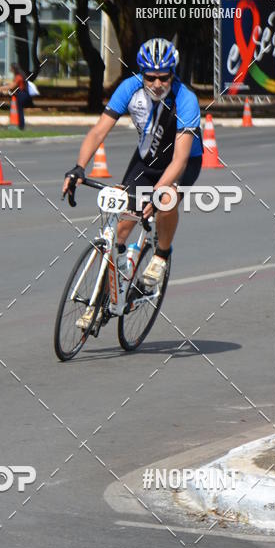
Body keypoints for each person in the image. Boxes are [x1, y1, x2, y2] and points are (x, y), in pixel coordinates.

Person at [62, 37, 203, 330]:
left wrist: (157, 193)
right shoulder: (129, 88)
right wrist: (79, 167)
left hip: (182, 161)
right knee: (120, 229)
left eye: (163, 77)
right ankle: (103, 300)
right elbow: (98, 131)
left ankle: (161, 255)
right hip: (146, 161)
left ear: (173, 74)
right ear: (142, 73)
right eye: (150, 77)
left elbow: (179, 161)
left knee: (167, 199)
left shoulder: (186, 99)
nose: (157, 84)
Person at [0, 64, 29, 130]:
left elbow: (11, 86)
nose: (9, 69)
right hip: (21, 94)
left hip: (21, 94)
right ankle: (21, 126)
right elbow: (12, 85)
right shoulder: (18, 76)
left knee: (20, 111)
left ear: (14, 69)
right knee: (20, 111)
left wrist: (0, 88)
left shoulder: (18, 76)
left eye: (10, 68)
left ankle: (21, 126)